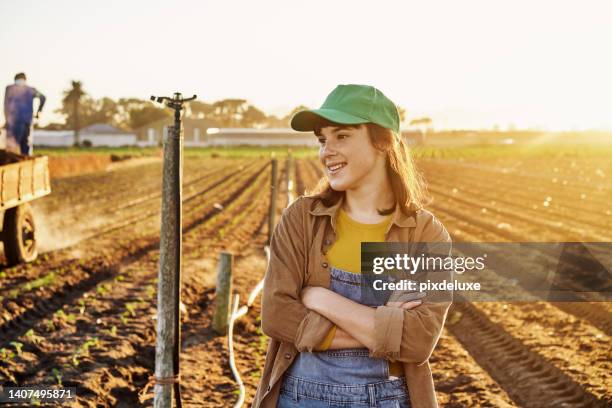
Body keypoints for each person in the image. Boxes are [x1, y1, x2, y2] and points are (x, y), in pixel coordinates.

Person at [252, 84, 452, 408]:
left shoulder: (426, 234)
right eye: (322, 139)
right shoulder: (302, 219)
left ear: (383, 141)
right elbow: (276, 315)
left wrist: (320, 299)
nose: (325, 151)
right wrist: (382, 329)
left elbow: (417, 342)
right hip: (301, 397)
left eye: (341, 136)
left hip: (387, 400)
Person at [3, 72, 46, 155]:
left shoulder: (9, 89)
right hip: (27, 122)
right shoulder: (31, 90)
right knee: (25, 148)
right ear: (25, 80)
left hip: (13, 123)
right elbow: (42, 97)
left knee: (11, 149)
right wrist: (38, 112)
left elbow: (6, 105)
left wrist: (6, 120)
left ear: (15, 79)